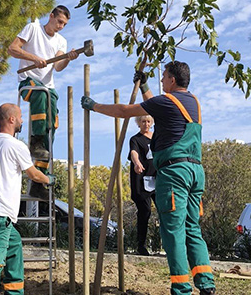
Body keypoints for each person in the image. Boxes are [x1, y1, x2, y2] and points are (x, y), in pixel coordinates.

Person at [80, 61, 216, 295]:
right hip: (195, 172)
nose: (162, 81)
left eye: (164, 77)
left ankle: (181, 288)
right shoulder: (192, 102)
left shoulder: (165, 101)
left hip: (175, 173)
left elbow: (124, 111)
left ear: (172, 80)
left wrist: (94, 106)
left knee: (173, 231)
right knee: (192, 228)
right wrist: (144, 86)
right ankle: (206, 284)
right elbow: (156, 105)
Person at [0, 103, 56, 295]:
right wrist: (48, 179)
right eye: (20, 117)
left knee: (14, 246)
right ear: (11, 119)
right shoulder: (16, 145)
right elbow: (33, 174)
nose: (22, 120)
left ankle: (15, 292)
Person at [7, 5, 79, 163]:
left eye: (64, 24)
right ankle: (36, 141)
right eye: (59, 22)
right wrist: (34, 59)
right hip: (28, 82)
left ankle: (41, 173)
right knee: (40, 93)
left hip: (48, 88)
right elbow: (12, 49)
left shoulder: (61, 41)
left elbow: (58, 66)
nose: (61, 27)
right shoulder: (33, 28)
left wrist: (67, 58)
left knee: (51, 121)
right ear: (51, 16)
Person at [128, 115, 157, 256]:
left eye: (148, 121)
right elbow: (133, 152)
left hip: (158, 179)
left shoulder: (157, 137)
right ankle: (141, 245)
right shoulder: (135, 139)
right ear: (138, 123)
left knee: (166, 211)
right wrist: (137, 162)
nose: (146, 124)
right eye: (143, 121)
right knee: (145, 211)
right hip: (142, 181)